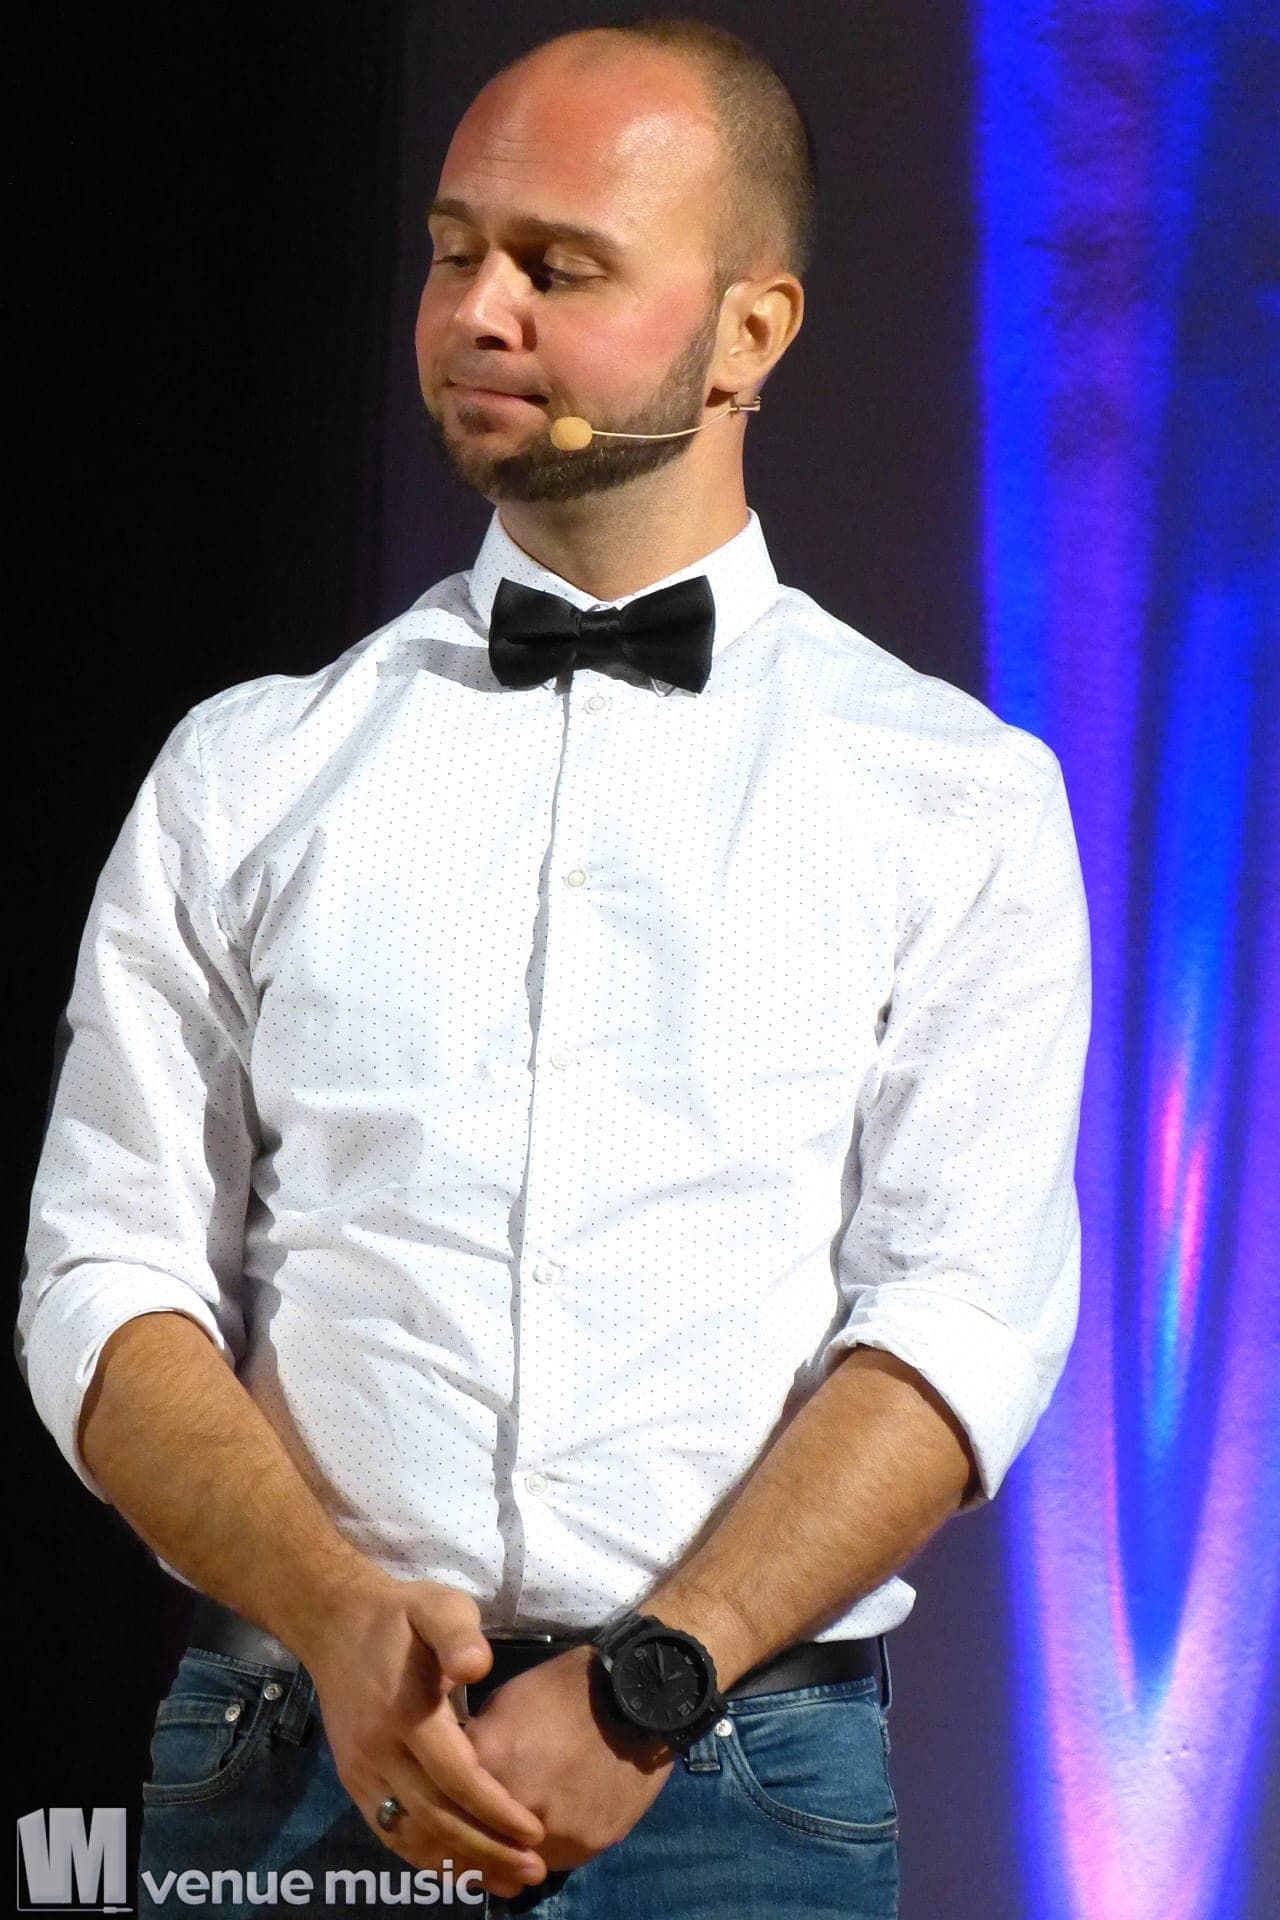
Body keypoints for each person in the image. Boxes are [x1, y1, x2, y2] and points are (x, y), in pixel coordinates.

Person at [15, 16, 1090, 1920]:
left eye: (560, 266)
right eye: (453, 251)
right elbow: (105, 1281)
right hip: (288, 1751)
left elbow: (961, 1319)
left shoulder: (955, 796)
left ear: (751, 333)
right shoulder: (247, 768)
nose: (477, 310)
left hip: (747, 1784)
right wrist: (334, 1613)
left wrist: (650, 1684)